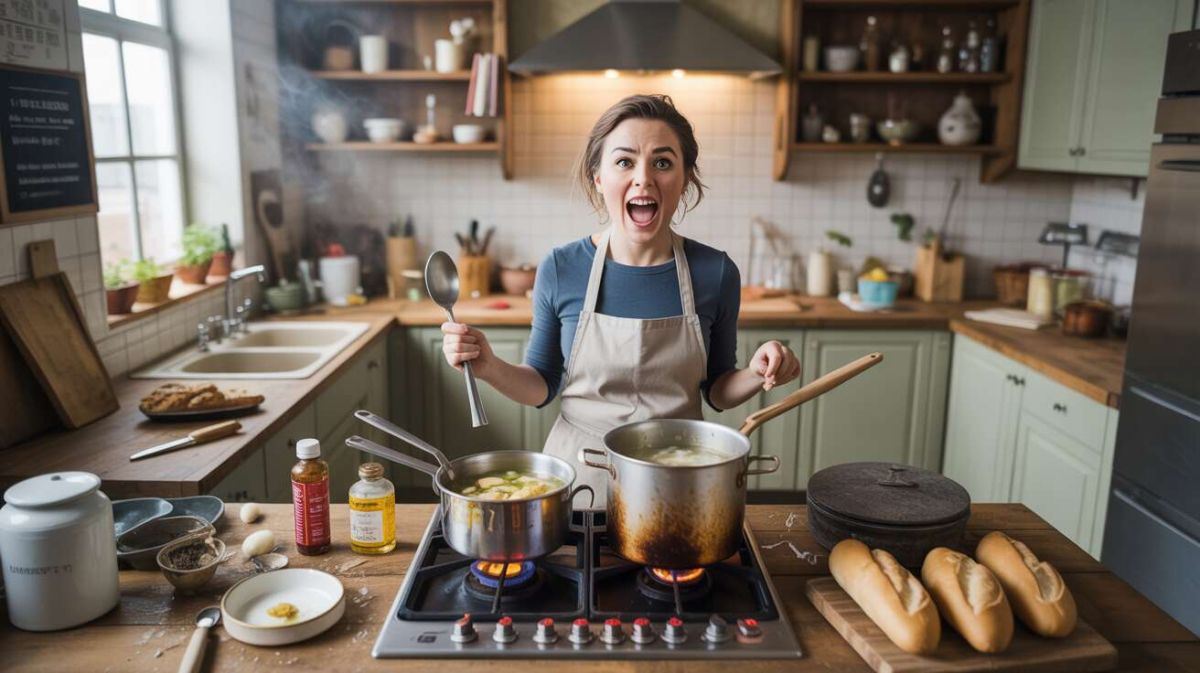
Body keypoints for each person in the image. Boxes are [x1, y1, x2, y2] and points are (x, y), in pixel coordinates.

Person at [441, 94, 800, 505]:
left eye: (662, 163)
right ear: (598, 177)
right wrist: (488, 366)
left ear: (685, 178)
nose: (643, 179)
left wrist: (757, 371)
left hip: (680, 477)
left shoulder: (715, 272)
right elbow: (541, 384)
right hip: (580, 478)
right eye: (625, 162)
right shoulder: (561, 268)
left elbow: (718, 390)